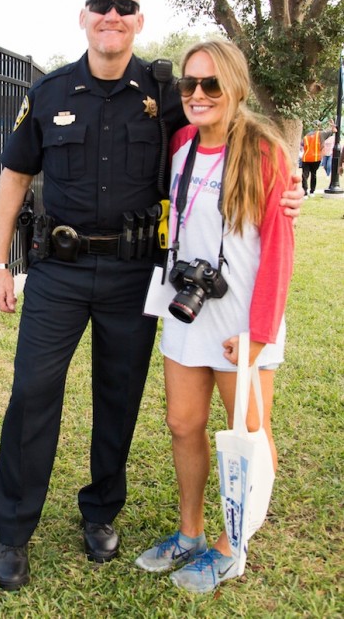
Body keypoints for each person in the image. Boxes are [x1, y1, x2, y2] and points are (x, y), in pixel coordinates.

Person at [0, 0, 303, 591]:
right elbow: (13, 179)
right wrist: (1, 264)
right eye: (101, 5)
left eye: (124, 6)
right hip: (57, 271)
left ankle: (101, 513)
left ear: (138, 19)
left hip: (136, 276)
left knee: (120, 400)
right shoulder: (49, 92)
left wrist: (286, 186)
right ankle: (13, 532)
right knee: (32, 394)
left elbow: (230, 134)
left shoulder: (164, 93)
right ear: (83, 17)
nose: (112, 14)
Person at [135, 39, 295, 593]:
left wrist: (258, 333)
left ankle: (234, 545)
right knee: (183, 423)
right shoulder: (180, 142)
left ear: (235, 86)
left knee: (248, 429)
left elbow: (278, 247)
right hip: (188, 310)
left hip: (242, 318)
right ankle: (192, 533)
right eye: (189, 84)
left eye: (210, 84)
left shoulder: (265, 152)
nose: (198, 95)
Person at [301, 126, 325, 196]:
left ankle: (305, 192)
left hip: (306, 158)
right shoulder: (320, 135)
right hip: (315, 158)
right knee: (313, 174)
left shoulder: (305, 137)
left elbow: (303, 145)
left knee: (305, 175)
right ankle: (312, 191)